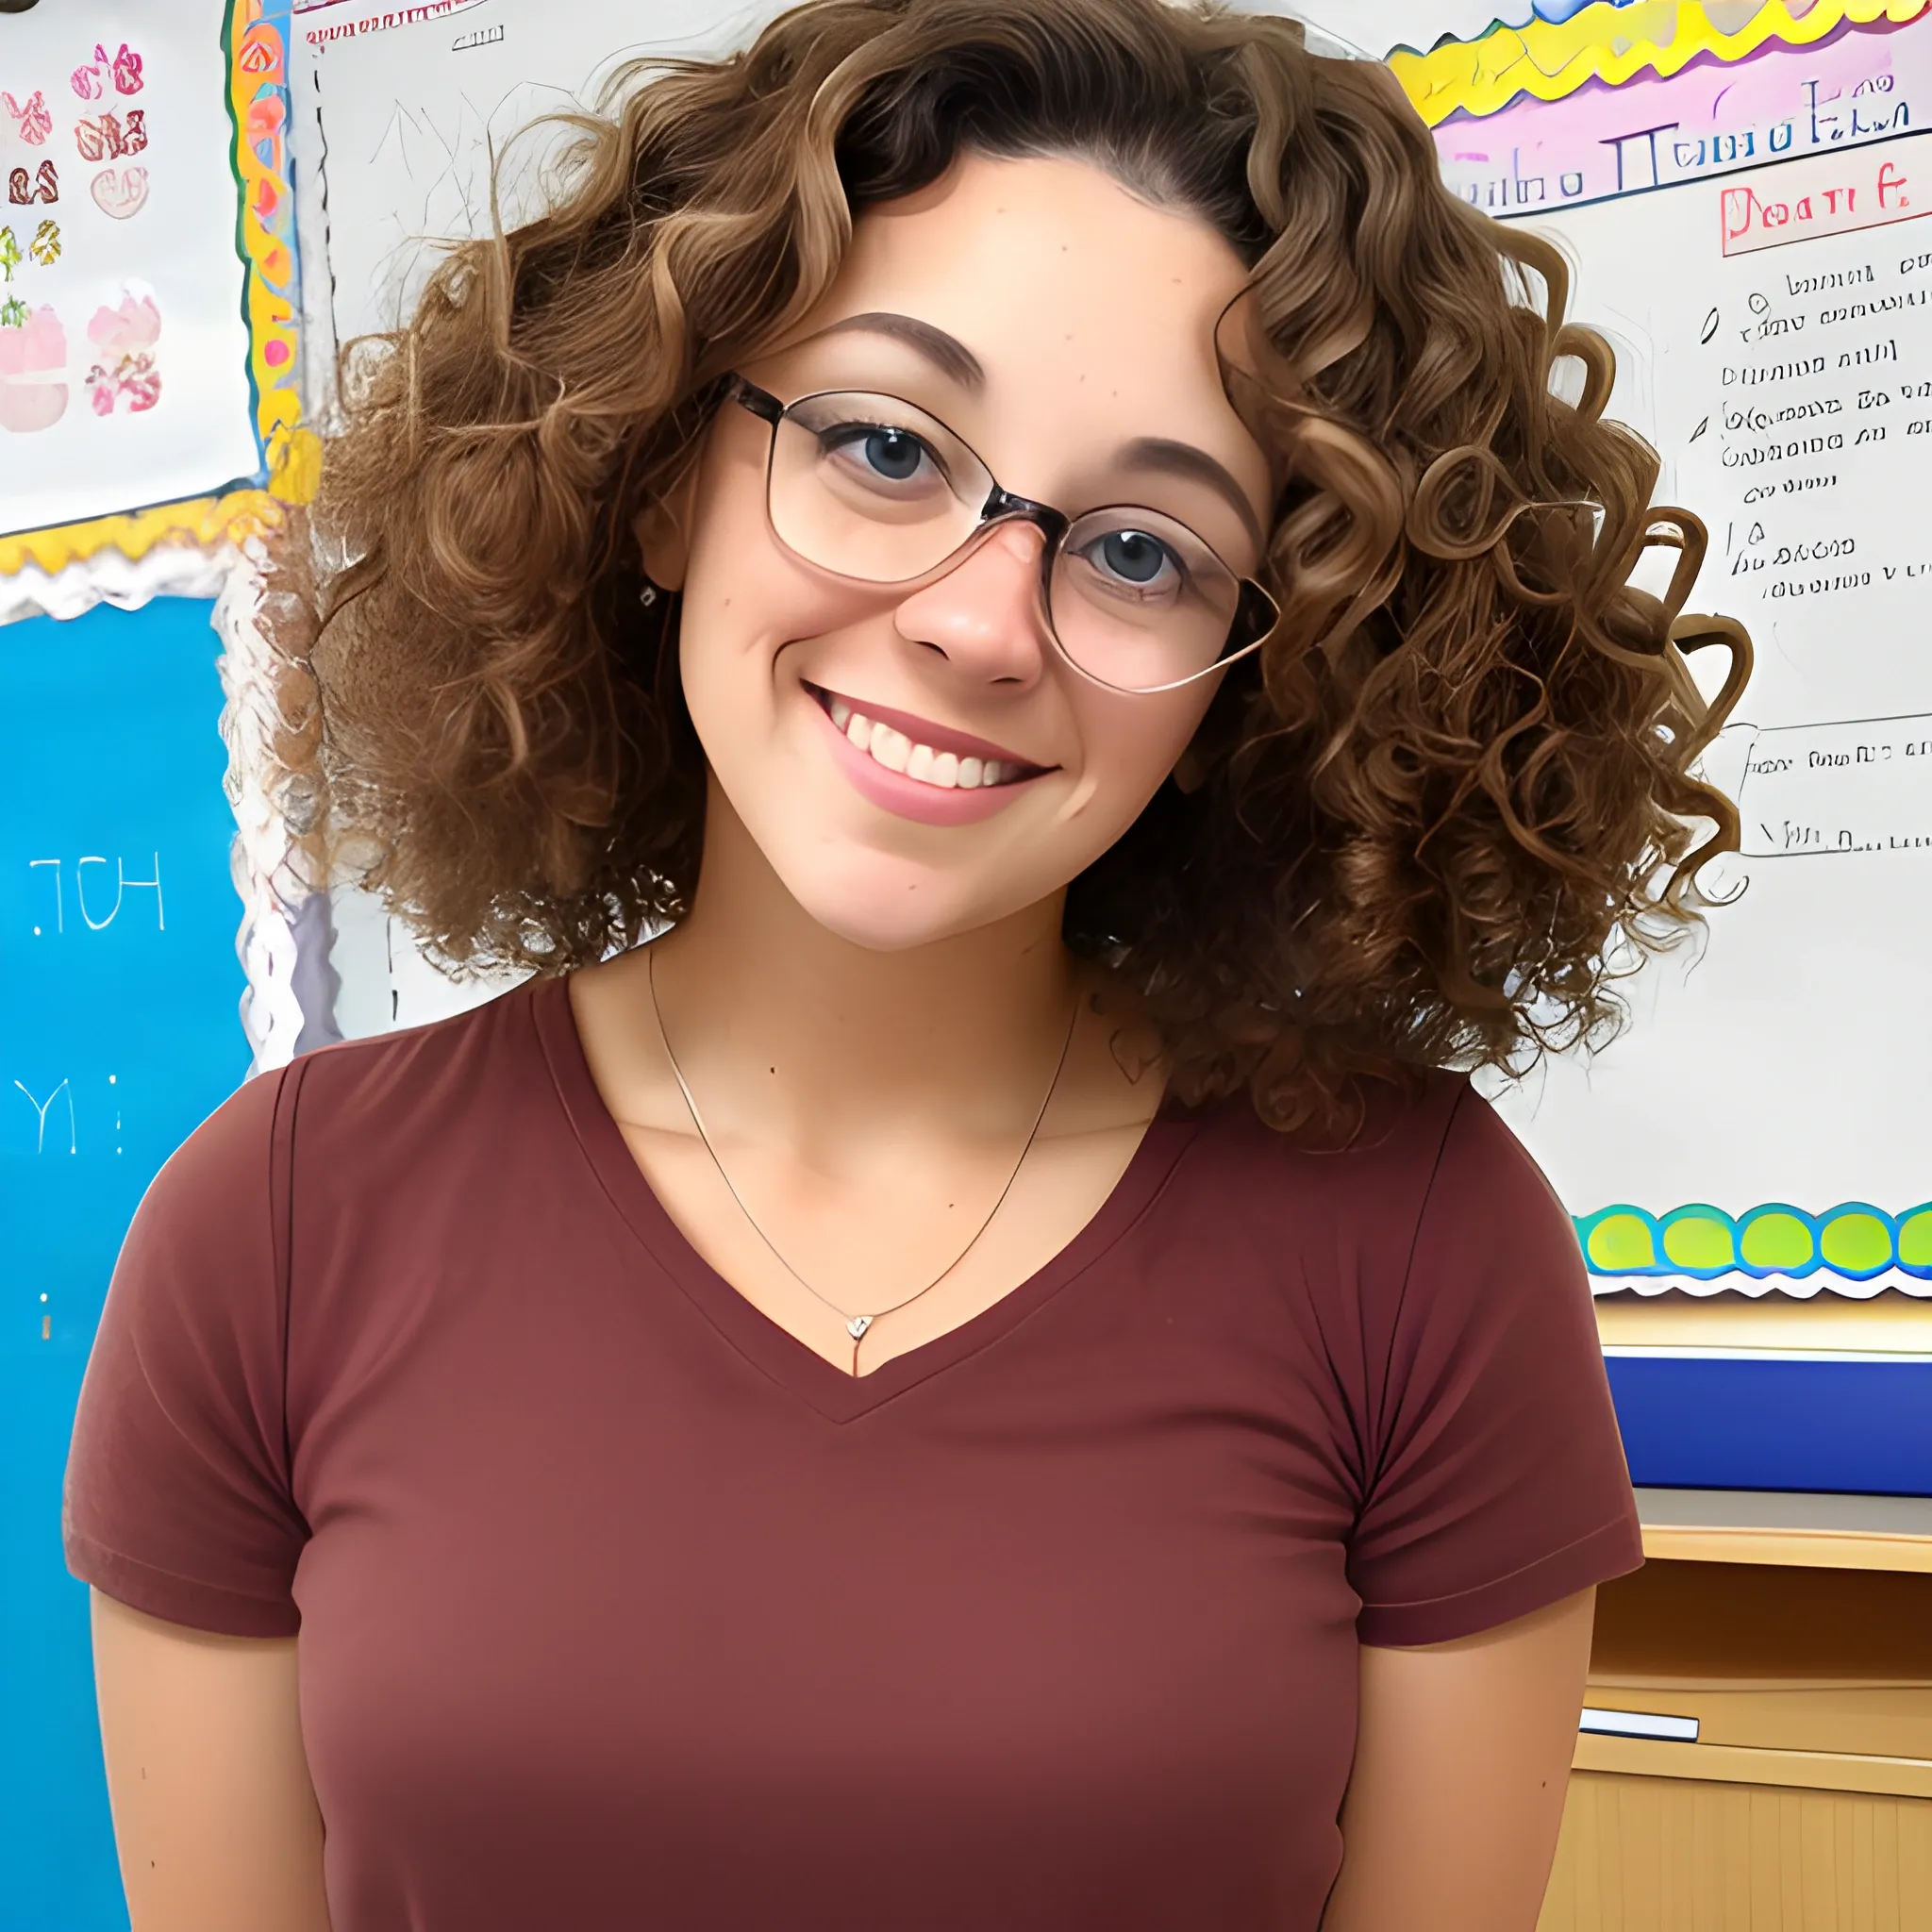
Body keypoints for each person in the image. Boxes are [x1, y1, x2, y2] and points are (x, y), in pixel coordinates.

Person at [64, 0, 1749, 1926]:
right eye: (881, 444)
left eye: (1139, 551)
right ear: (656, 471)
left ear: (1266, 676)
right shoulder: (275, 1232)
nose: (977, 621)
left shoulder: (1423, 1252)